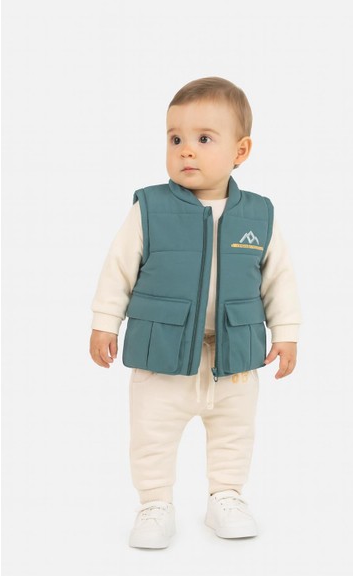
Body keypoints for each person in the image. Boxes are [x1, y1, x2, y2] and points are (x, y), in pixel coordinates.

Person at [89, 76, 302, 549]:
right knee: (152, 433)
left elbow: (279, 278)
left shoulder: (259, 215)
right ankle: (154, 503)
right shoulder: (149, 208)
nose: (186, 150)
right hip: (162, 355)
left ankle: (226, 496)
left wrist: (286, 332)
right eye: (175, 139)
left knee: (234, 432)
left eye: (204, 139)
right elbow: (117, 269)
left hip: (234, 357)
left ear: (241, 150)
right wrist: (105, 322)